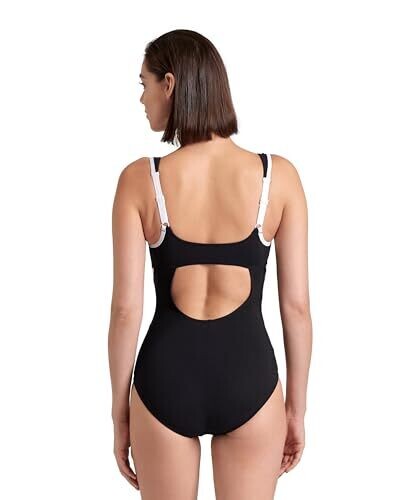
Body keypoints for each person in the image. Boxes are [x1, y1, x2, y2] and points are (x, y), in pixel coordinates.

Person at [108, 29, 312, 499]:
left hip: (164, 380)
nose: (141, 99)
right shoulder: (278, 178)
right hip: (250, 379)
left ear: (170, 84)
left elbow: (125, 311)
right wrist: (296, 409)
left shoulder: (140, 180)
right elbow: (297, 307)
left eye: (143, 84)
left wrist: (120, 414)